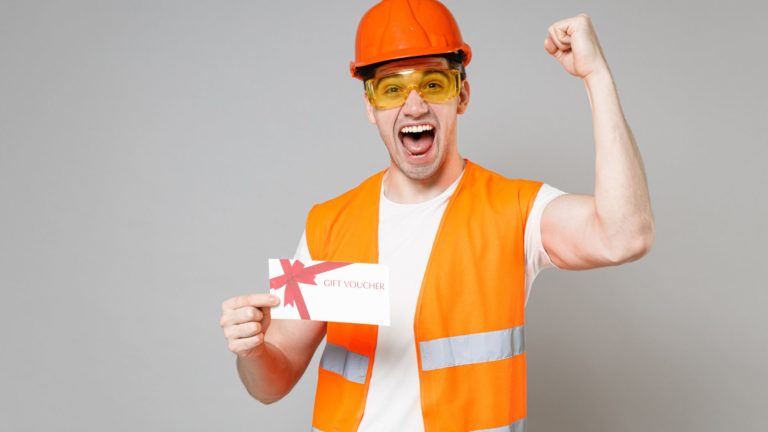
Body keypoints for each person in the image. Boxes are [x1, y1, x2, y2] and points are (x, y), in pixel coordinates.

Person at [219, 0, 655, 430]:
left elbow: (626, 236)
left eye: (433, 85)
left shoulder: (515, 210)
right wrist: (252, 351)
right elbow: (270, 385)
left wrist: (596, 77)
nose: (414, 107)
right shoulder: (328, 223)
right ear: (370, 107)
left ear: (461, 95)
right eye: (392, 88)